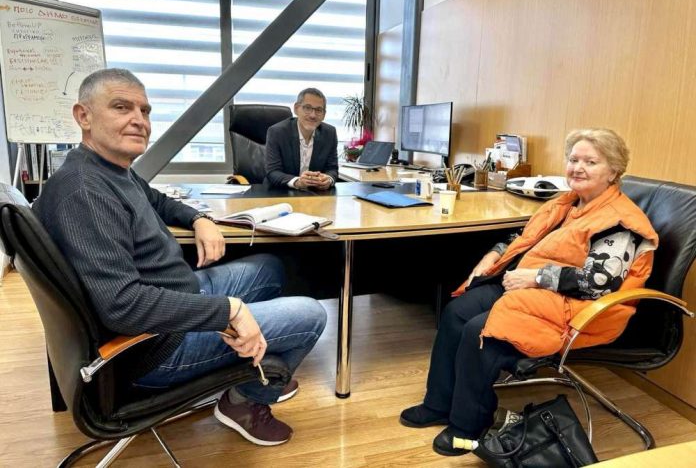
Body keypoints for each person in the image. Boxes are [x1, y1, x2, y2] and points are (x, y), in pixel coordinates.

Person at [33, 68, 327, 447]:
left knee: (269, 268)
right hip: (153, 346)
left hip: (175, 298)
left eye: (144, 110)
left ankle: (251, 370)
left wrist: (199, 219)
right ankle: (244, 403)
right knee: (311, 315)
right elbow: (122, 306)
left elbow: (159, 201)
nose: (139, 120)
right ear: (83, 116)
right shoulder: (85, 192)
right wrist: (229, 311)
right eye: (121, 107)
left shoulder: (110, 169)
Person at [400, 128, 658, 456]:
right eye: (573, 160)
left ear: (614, 172)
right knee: (457, 312)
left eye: (591, 162)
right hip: (531, 288)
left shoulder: (619, 222)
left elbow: (598, 283)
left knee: (482, 331)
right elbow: (524, 237)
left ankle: (468, 425)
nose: (578, 168)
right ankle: (439, 403)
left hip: (576, 308)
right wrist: (493, 254)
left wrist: (535, 277)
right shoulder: (566, 204)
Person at [265, 88, 338, 189]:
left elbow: (332, 169)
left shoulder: (329, 133)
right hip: (280, 192)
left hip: (315, 193)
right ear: (296, 109)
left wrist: (328, 179)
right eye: (307, 108)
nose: (313, 115)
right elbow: (273, 172)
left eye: (318, 110)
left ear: (324, 114)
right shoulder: (277, 132)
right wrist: (297, 182)